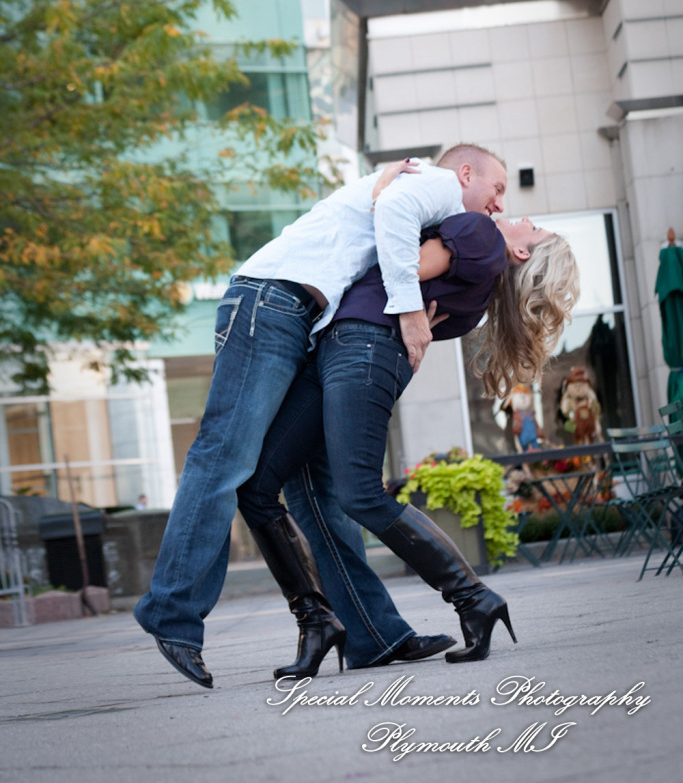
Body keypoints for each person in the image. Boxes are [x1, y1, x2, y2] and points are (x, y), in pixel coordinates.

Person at [134, 144, 508, 687]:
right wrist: (409, 312)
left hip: (300, 318)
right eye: (497, 188)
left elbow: (390, 219)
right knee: (225, 457)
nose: (499, 204)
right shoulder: (438, 183)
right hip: (270, 303)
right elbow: (395, 212)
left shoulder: (422, 198)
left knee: (315, 487)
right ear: (467, 172)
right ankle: (171, 613)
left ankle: (372, 634)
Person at [237, 213, 580, 677]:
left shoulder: (481, 234)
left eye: (534, 229)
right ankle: (318, 622)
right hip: (345, 351)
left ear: (522, 252)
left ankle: (472, 597)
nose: (522, 217)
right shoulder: (476, 298)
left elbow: (400, 263)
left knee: (358, 493)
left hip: (358, 350)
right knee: (256, 485)